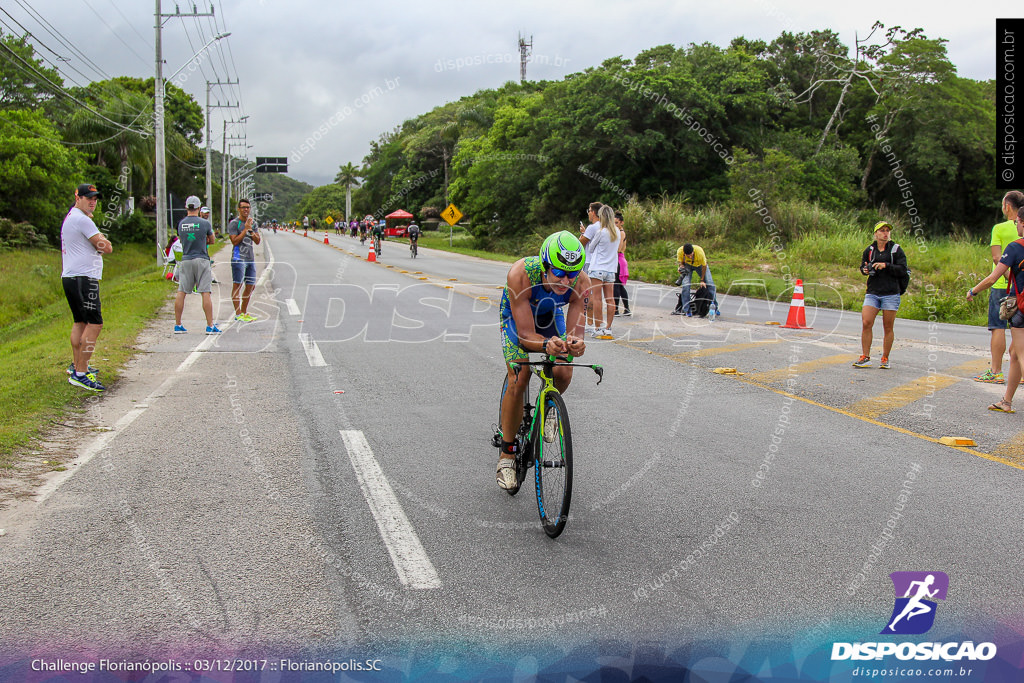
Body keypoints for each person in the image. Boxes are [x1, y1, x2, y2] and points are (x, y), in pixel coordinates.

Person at [496, 231, 589, 490]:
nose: (565, 280)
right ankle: (507, 455)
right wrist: (544, 344)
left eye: (572, 273)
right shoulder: (521, 274)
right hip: (516, 321)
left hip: (549, 316)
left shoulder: (581, 283)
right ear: (545, 265)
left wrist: (575, 344)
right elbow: (525, 335)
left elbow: (574, 335)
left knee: (563, 369)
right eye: (558, 272)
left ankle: (548, 406)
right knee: (520, 376)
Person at [967, 209, 1024, 412]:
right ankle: (1006, 401)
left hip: (1022, 309)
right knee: (1015, 354)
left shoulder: (1016, 248)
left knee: (1022, 353)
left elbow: (993, 278)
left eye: (1017, 222)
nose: (1016, 225)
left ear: (1023, 224)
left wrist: (973, 290)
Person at [61, 183, 113, 391]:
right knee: (95, 323)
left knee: (80, 322)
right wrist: (102, 241)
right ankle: (81, 373)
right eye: (88, 197)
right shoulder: (82, 220)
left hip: (71, 276)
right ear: (78, 197)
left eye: (95, 198)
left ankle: (77, 366)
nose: (92, 201)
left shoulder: (72, 217)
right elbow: (106, 247)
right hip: (84, 278)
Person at [975, 191, 1024, 383]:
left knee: (998, 327)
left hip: (1002, 283)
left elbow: (997, 258)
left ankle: (996, 371)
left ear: (1007, 206)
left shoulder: (1000, 228)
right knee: (1019, 329)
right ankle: (1018, 370)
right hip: (1020, 289)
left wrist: (1009, 277)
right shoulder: (1020, 227)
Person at [852, 221, 908, 369]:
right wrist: (864, 270)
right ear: (875, 234)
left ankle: (885, 357)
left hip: (891, 293)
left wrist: (886, 266)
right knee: (866, 322)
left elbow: (903, 269)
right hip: (873, 292)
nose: (885, 233)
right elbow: (863, 265)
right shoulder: (870, 250)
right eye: (882, 231)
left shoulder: (896, 250)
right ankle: (865, 356)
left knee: (887, 326)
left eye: (887, 231)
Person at [174, 195, 221, 335]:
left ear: (186, 207)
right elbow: (212, 240)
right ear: (199, 208)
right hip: (201, 259)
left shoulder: (181, 224)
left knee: (181, 291)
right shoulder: (205, 223)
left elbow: (182, 239)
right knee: (205, 292)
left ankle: (178, 324)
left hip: (186, 259)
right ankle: (210, 325)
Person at [580, 205, 621, 338]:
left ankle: (598, 327)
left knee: (597, 298)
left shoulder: (601, 232)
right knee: (610, 299)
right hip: (611, 269)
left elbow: (591, 248)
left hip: (597, 267)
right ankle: (608, 328)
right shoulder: (617, 232)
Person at [227, 198, 262, 322]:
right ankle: (238, 314)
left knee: (250, 286)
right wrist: (245, 229)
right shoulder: (234, 223)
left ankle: (244, 312)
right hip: (238, 258)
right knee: (237, 285)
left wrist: (250, 229)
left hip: (250, 258)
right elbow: (234, 241)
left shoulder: (253, 223)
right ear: (239, 209)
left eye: (248, 207)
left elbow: (257, 241)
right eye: (243, 207)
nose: (246, 210)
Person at [672, 243, 720, 318]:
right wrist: (681, 267)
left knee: (710, 284)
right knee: (686, 286)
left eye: (691, 255)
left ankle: (714, 307)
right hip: (687, 265)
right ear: (684, 253)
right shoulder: (680, 251)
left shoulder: (699, 252)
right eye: (688, 256)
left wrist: (702, 280)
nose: (690, 257)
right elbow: (681, 262)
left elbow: (704, 266)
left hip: (700, 265)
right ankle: (686, 310)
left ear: (693, 251)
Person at [581, 202, 601, 332]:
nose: (588, 213)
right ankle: (594, 323)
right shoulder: (604, 227)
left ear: (593, 212)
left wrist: (583, 233)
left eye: (589, 210)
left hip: (588, 261)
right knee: (596, 294)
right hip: (598, 262)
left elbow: (580, 244)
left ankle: (589, 323)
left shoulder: (592, 227)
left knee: (588, 294)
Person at [613, 211, 631, 317]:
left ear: (621, 223)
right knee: (619, 286)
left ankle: (616, 309)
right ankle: (626, 308)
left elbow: (618, 249)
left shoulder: (620, 233)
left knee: (616, 285)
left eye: (616, 223)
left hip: (619, 260)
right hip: (619, 259)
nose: (614, 225)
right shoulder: (618, 232)